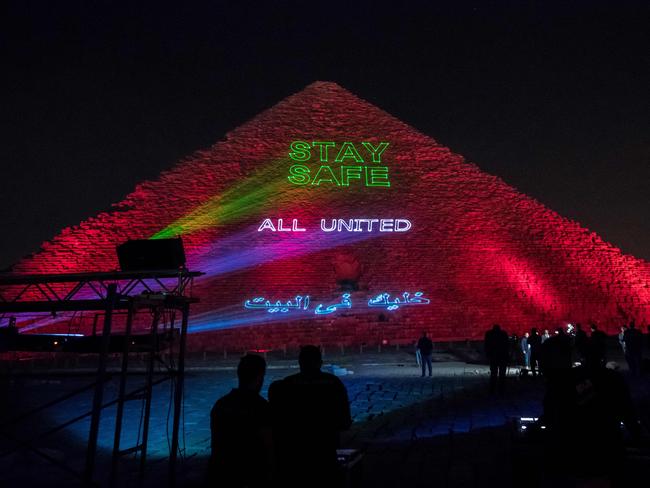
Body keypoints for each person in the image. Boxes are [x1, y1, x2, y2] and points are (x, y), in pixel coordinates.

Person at [269, 345, 352, 487]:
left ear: (300, 363)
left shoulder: (286, 385)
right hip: (325, 452)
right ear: (320, 363)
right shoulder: (333, 383)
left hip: (294, 456)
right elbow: (344, 422)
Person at [208, 354, 272, 487]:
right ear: (260, 377)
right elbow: (268, 446)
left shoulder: (220, 405)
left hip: (221, 476)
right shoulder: (261, 408)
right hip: (251, 476)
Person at [484, 324, 509, 394]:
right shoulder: (503, 334)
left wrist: (488, 354)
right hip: (502, 356)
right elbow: (506, 345)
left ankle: (493, 389)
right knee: (502, 374)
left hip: (494, 356)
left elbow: (487, 345)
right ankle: (501, 389)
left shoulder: (489, 334)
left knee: (494, 373)